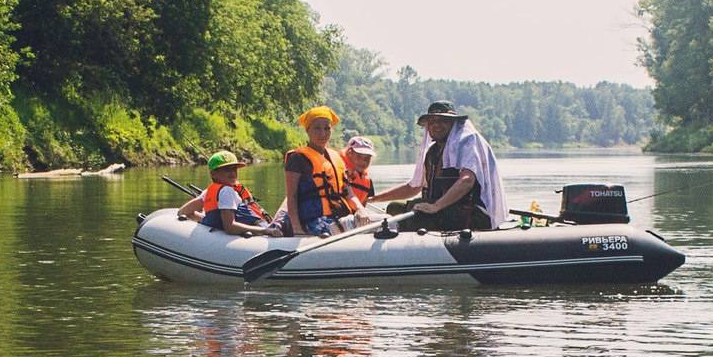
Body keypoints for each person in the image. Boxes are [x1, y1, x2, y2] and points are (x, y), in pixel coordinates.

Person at [371, 100, 506, 232]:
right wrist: (374, 198)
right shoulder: (432, 152)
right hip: (442, 209)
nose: (437, 125)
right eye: (432, 121)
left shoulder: (467, 143)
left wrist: (436, 206)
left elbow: (467, 180)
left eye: (443, 120)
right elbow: (413, 187)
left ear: (454, 124)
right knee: (394, 208)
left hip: (470, 211)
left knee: (418, 216)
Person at [281, 106, 360, 236]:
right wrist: (297, 229)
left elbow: (349, 193)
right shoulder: (297, 158)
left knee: (384, 221)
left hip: (340, 217)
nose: (322, 134)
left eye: (327, 128)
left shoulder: (336, 158)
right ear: (308, 130)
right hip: (314, 221)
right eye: (317, 128)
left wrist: (361, 210)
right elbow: (292, 197)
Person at [178, 150, 276, 236]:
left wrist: (203, 218)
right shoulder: (227, 191)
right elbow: (230, 227)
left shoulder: (208, 192)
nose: (232, 173)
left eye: (234, 169)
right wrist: (265, 230)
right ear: (213, 174)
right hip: (258, 227)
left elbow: (182, 212)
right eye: (227, 169)